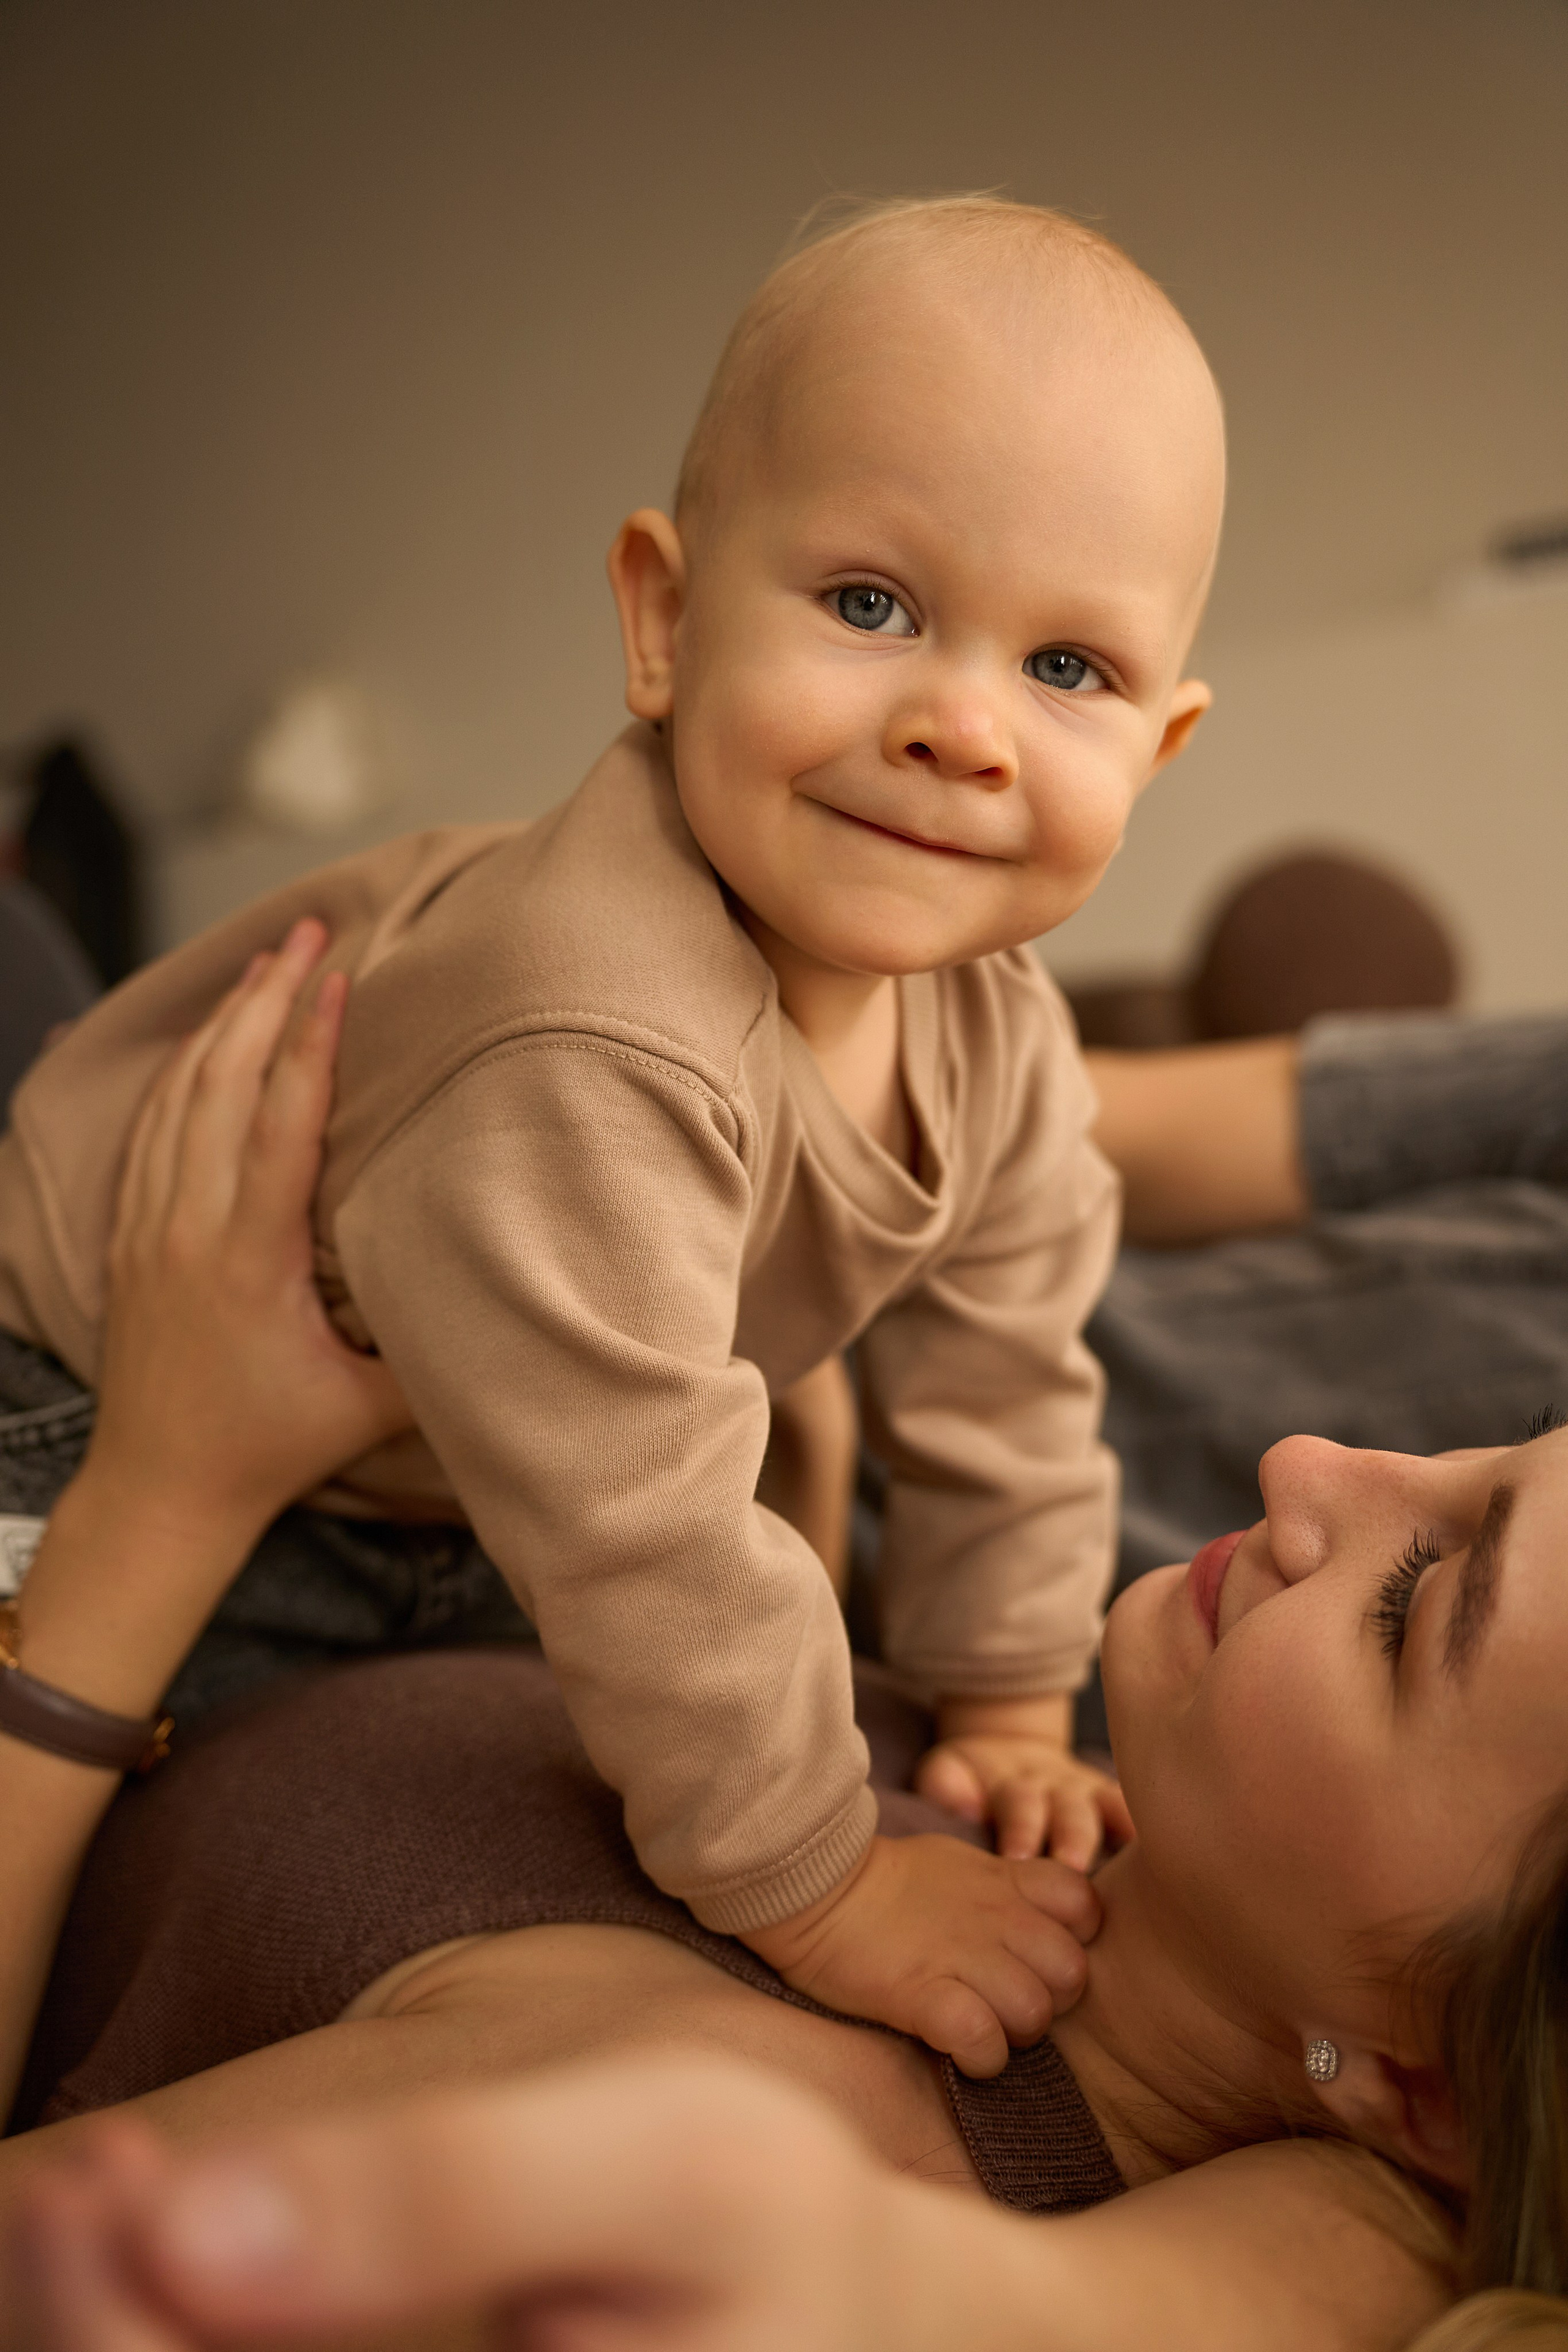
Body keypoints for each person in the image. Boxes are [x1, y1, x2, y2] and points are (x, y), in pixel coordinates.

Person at [0, 192, 1227, 2068]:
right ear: (661, 621)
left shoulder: (1002, 1034)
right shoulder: (589, 1019)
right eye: (872, 605)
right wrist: (820, 1880)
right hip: (81, 1381)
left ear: (1157, 749)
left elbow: (1007, 1381)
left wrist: (1005, 1705)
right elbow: (645, 1520)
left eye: (1068, 670)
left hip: (446, 1458)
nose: (964, 727)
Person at [2, 949, 1565, 2352]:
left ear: (1416, 2089)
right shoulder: (1062, 1831)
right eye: (1477, 1454)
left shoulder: (656, 2128)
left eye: (1409, 1607)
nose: (1307, 1463)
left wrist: (161, 1497)